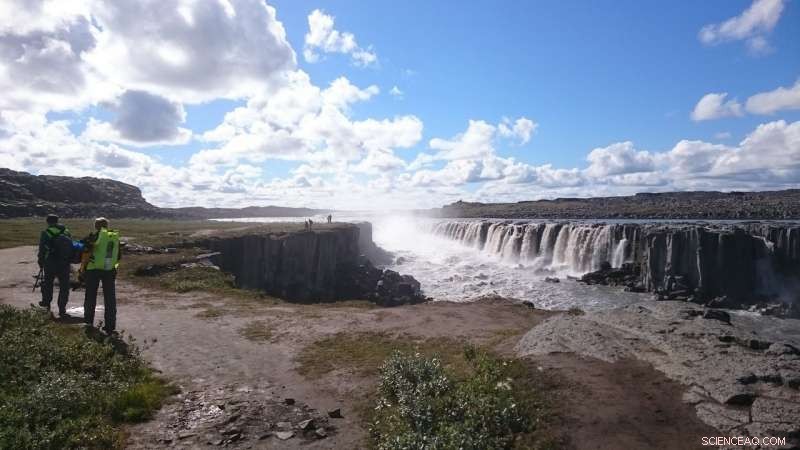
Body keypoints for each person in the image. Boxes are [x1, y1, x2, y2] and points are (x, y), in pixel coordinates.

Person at [83, 217, 121, 334]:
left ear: (96, 226)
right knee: (110, 298)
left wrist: (83, 269)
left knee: (90, 296)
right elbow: (118, 256)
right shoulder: (114, 237)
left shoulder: (93, 237)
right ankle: (110, 326)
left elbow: (86, 252)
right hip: (109, 270)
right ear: (107, 226)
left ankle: (88, 322)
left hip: (93, 270)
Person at [36, 214, 73, 317]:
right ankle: (62, 309)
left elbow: (42, 249)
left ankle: (46, 304)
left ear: (47, 222)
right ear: (57, 221)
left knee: (48, 283)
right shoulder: (66, 231)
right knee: (64, 286)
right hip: (64, 263)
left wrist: (40, 261)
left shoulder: (46, 232)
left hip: (50, 262)